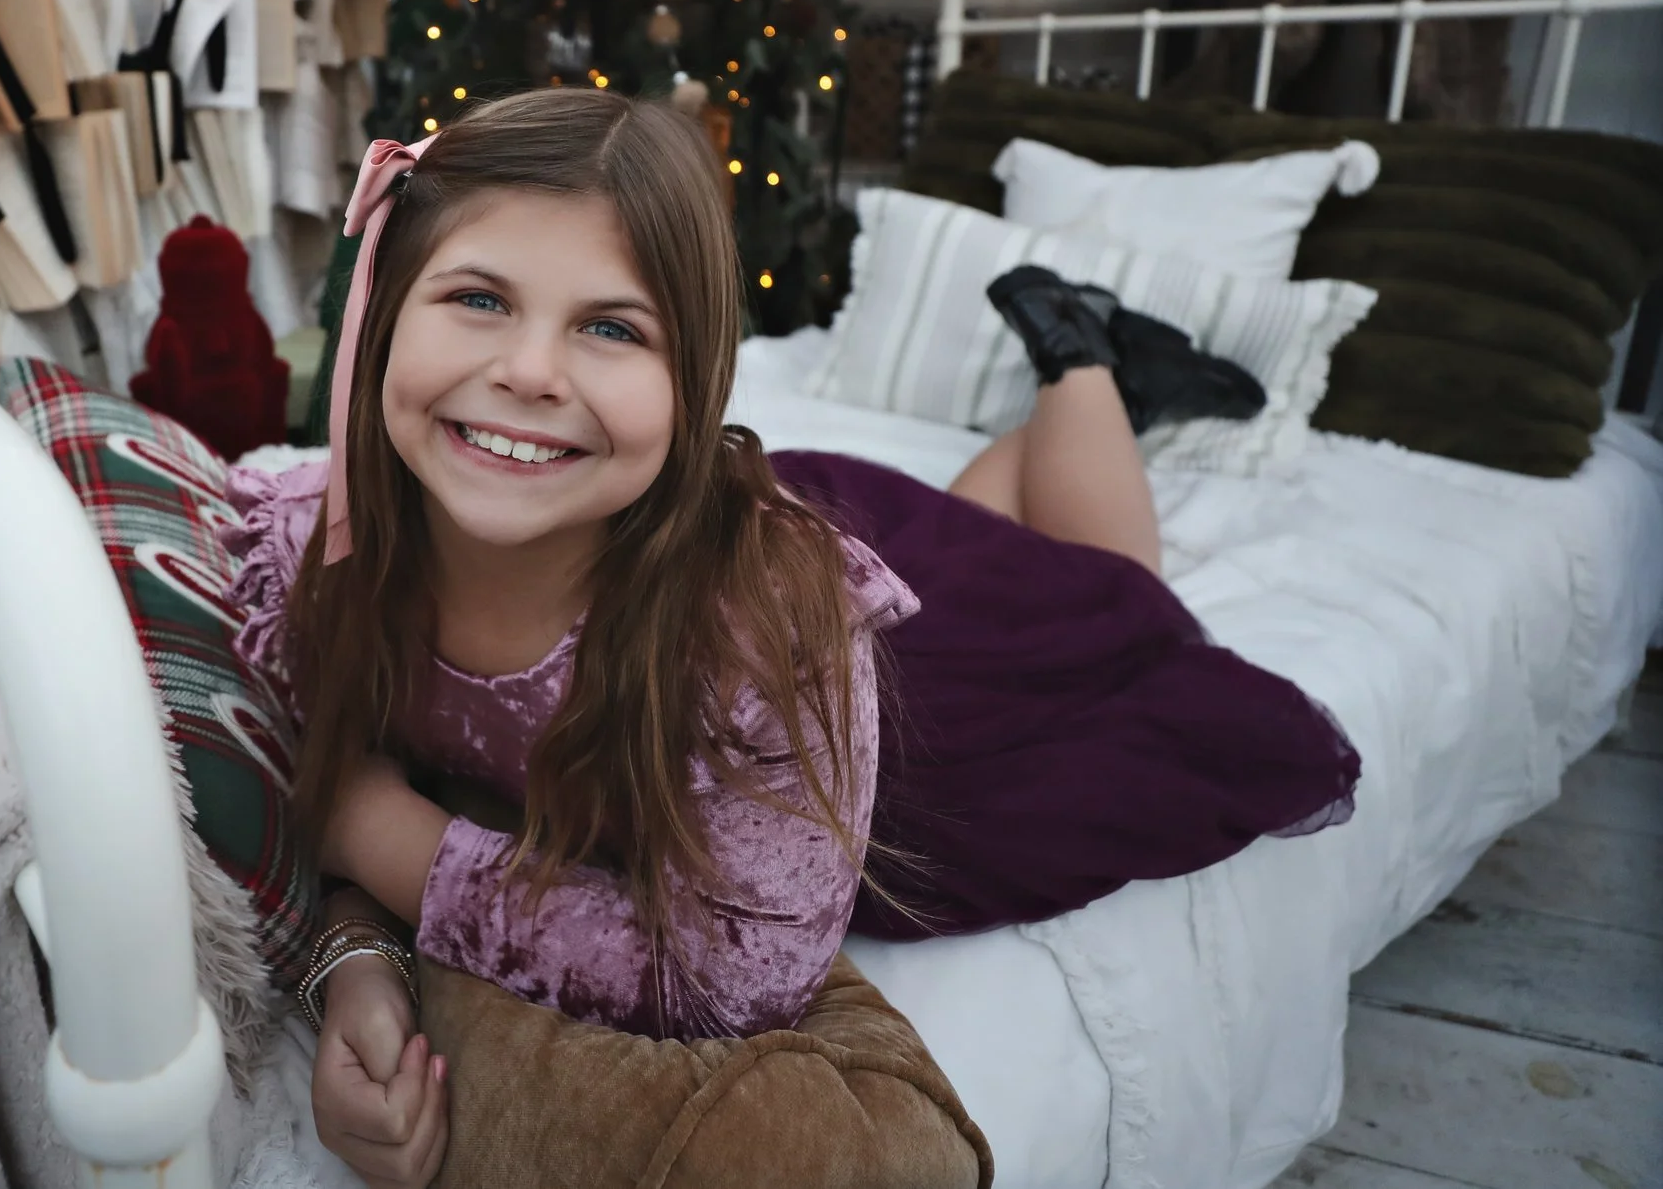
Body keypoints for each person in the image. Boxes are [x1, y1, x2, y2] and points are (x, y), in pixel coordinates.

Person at [224, 90, 1354, 1188]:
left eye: (611, 326)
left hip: (864, 685)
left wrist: (376, 828)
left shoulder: (776, 632)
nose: (528, 370)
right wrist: (359, 960)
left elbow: (731, 975)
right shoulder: (315, 544)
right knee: (968, 542)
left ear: (700, 376)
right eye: (477, 297)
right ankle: (1040, 432)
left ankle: (1084, 355)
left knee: (1106, 598)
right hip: (700, 524)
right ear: (377, 309)